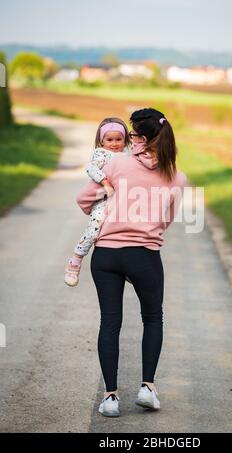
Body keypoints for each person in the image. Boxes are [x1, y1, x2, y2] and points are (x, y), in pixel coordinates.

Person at [76, 108, 187, 417]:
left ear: (141, 138)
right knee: (152, 318)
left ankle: (110, 398)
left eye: (133, 135)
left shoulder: (116, 163)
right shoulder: (177, 176)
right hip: (145, 256)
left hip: (107, 255)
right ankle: (147, 388)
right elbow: (166, 220)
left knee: (110, 321)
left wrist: (109, 208)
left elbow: (84, 199)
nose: (130, 139)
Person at [64, 117, 131, 287]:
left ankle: (126, 269)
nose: (114, 144)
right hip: (103, 201)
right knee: (95, 229)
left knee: (125, 231)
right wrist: (105, 182)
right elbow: (90, 168)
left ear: (125, 140)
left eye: (118, 139)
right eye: (109, 140)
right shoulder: (102, 154)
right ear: (101, 141)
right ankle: (76, 260)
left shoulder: (128, 155)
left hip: (121, 202)